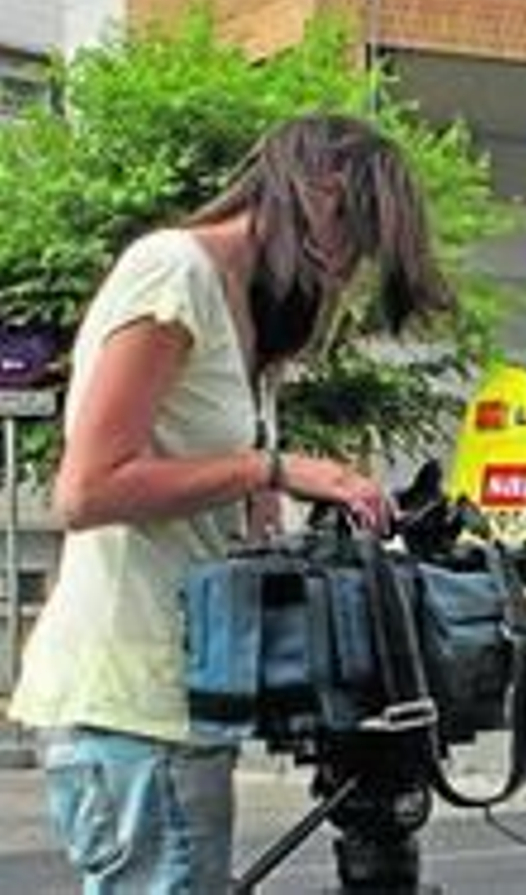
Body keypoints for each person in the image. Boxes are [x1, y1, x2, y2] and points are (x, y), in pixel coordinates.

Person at [8, 113, 453, 892]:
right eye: (354, 239)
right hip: (132, 704)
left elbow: (212, 493)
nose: (348, 271)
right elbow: (86, 490)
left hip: (178, 701)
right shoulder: (172, 271)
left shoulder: (241, 310)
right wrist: (271, 468)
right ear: (320, 192)